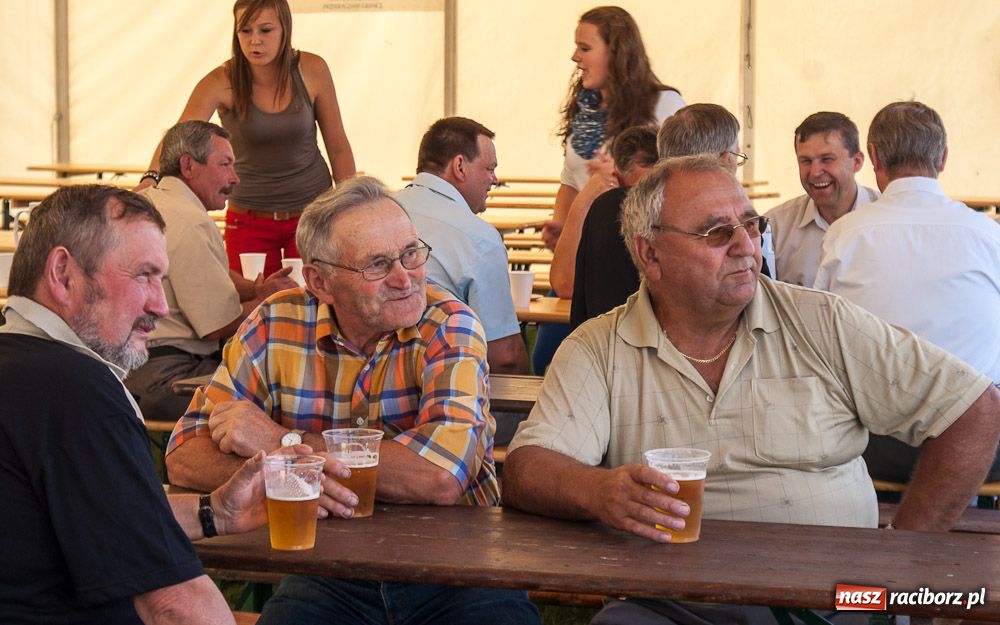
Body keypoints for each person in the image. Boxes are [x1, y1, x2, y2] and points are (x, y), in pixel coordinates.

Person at [502, 156, 1000, 625]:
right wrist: (598, 491)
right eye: (718, 233)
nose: (746, 246)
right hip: (670, 605)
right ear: (650, 254)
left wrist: (903, 555)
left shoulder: (821, 322)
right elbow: (527, 467)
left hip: (832, 602)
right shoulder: (600, 346)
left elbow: (973, 408)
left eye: (752, 225)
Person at [164, 176, 540, 625]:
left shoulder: (449, 323)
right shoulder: (275, 322)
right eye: (377, 265)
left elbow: (440, 476)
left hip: (459, 568)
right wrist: (315, 477)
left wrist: (282, 447)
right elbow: (184, 453)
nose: (405, 278)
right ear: (320, 281)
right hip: (329, 570)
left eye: (411, 253)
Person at [0, 184, 301, 624]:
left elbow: (101, 516)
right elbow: (174, 606)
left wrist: (214, 512)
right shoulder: (75, 389)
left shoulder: (24, 372)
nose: (160, 306)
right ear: (63, 273)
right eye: (144, 275)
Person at [815, 101, 1000, 484]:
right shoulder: (989, 234)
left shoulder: (845, 234)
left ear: (874, 157)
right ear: (943, 158)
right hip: (980, 449)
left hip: (874, 445)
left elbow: (821, 337)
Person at [138, 0, 355, 278]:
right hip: (249, 218)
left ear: (285, 28)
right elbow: (177, 137)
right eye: (245, 31)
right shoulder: (220, 81)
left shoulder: (312, 69)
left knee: (312, 295)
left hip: (312, 213)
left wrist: (350, 206)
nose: (255, 41)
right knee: (252, 297)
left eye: (265, 30)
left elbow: (338, 147)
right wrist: (150, 179)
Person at [535, 4, 686, 373]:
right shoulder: (585, 107)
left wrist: (625, 176)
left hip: (634, 257)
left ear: (617, 52)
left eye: (585, 48)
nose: (574, 57)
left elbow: (683, 177)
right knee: (548, 360)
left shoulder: (664, 104)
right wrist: (562, 225)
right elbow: (571, 178)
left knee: (616, 364)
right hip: (586, 248)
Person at [126, 120, 297, 424]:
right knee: (285, 394)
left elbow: (201, 272)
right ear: (188, 166)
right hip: (169, 379)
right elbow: (218, 325)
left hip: (126, 373)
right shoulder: (191, 221)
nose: (235, 178)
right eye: (225, 164)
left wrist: (255, 290)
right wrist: (269, 300)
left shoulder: (146, 201)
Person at [394, 117, 529, 374]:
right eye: (490, 168)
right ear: (459, 166)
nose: (494, 179)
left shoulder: (376, 213)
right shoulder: (479, 238)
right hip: (440, 380)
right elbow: (504, 356)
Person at [767, 111, 879, 287]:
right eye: (806, 161)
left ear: (857, 162)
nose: (815, 172)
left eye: (827, 159)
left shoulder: (888, 219)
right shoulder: (775, 228)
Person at [569, 125, 656, 329]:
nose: (644, 200)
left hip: (603, 337)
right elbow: (562, 282)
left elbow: (563, 283)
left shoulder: (604, 206)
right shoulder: (610, 207)